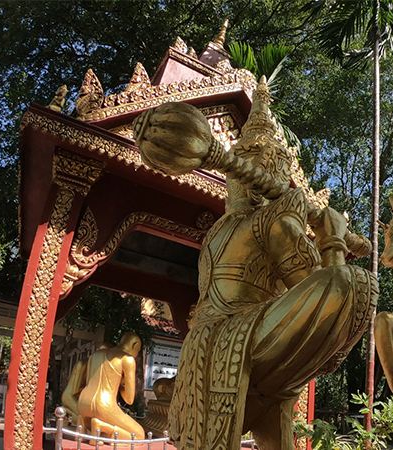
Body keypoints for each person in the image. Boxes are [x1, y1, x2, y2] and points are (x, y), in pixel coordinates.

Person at [134, 77, 377, 450]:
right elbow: (320, 282)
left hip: (203, 348)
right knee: (351, 282)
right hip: (245, 337)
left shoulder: (216, 232)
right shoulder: (273, 219)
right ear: (275, 174)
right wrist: (332, 239)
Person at [77, 333, 145, 440]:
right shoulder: (127, 359)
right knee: (139, 435)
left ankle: (83, 422)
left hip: (82, 403)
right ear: (135, 346)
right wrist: (123, 382)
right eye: (138, 350)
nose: (136, 355)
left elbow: (88, 381)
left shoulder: (95, 355)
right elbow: (129, 399)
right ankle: (102, 427)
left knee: (96, 420)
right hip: (104, 405)